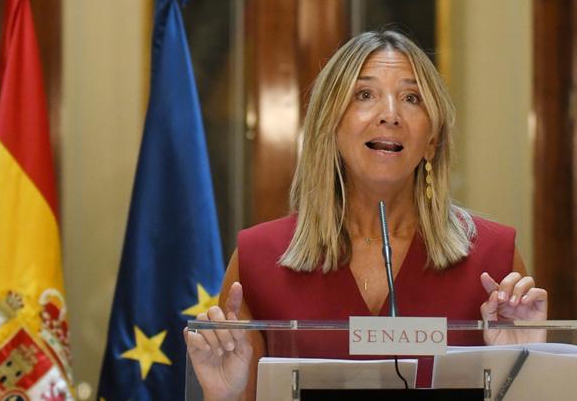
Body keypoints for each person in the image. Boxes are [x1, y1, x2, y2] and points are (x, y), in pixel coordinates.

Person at [185, 30, 548, 401]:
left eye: (411, 98)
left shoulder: (493, 258)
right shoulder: (258, 260)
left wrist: (526, 363)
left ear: (432, 140)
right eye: (365, 95)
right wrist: (222, 396)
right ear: (330, 126)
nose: (389, 115)